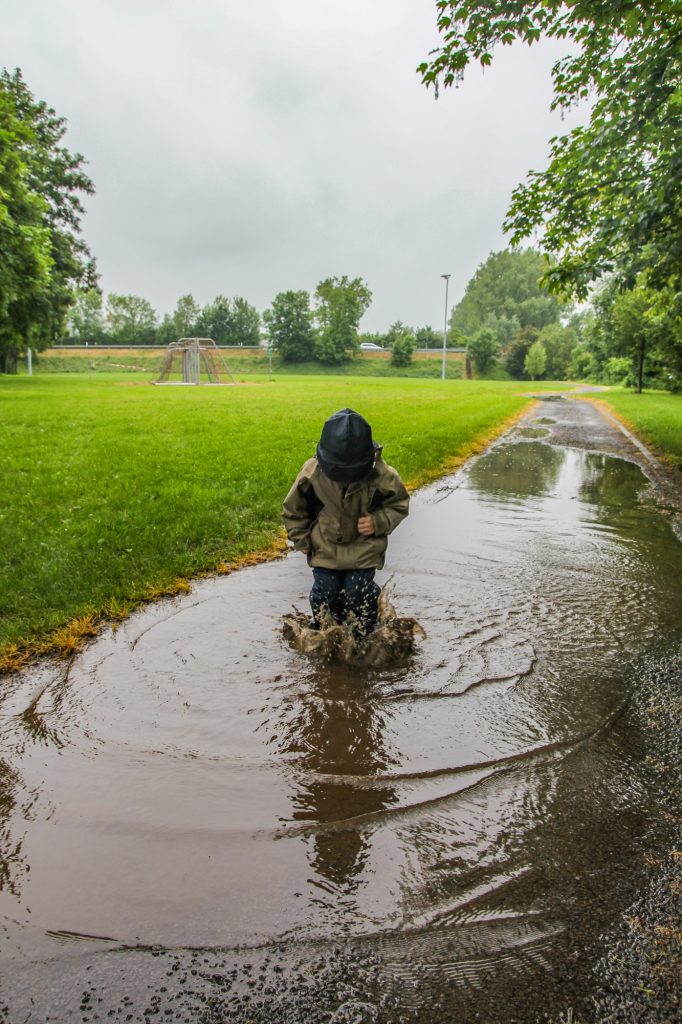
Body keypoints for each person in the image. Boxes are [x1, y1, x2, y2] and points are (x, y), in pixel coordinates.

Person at [282, 408, 409, 638]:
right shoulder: (313, 471)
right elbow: (293, 507)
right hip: (325, 545)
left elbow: (399, 503)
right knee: (324, 594)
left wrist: (378, 521)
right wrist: (300, 538)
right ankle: (326, 634)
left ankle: (364, 634)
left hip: (364, 547)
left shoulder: (381, 474)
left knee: (357, 594)